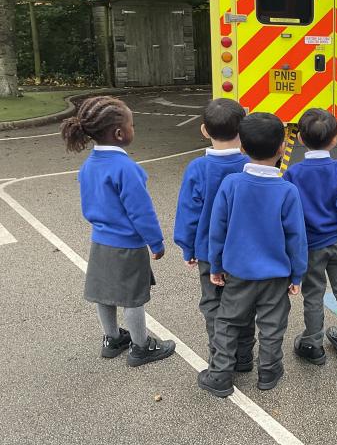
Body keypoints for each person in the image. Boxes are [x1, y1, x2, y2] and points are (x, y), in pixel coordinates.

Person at [60, 96, 175, 366]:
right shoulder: (126, 169)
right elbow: (141, 212)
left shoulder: (89, 165)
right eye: (132, 124)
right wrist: (156, 242)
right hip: (127, 245)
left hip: (100, 242)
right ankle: (141, 346)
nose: (134, 128)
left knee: (104, 293)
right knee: (133, 298)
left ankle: (112, 339)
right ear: (120, 133)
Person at [198, 113, 307, 396]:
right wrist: (297, 274)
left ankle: (221, 374)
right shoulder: (288, 191)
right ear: (282, 147)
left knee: (228, 321)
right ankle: (269, 371)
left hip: (238, 272)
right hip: (276, 276)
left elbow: (217, 230)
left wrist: (215, 266)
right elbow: (296, 238)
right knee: (272, 325)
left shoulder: (231, 184)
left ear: (243, 147)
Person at [173, 98, 254, 370]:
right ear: (242, 129)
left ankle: (220, 357)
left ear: (204, 130)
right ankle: (244, 356)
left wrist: (187, 247)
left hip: (208, 251)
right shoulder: (249, 165)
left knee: (212, 304)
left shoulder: (197, 168)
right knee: (243, 303)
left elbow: (188, 212)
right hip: (244, 252)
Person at [283, 108, 337, 363]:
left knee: (313, 293)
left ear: (300, 139)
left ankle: (313, 343)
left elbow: (290, 212)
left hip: (309, 244)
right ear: (336, 139)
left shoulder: (293, 173)